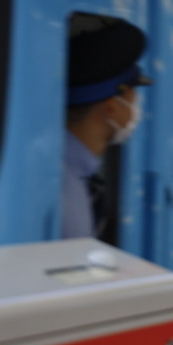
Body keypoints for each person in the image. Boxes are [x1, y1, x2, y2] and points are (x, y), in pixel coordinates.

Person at [62, 18, 151, 239]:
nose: (136, 107)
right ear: (112, 108)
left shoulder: (71, 173)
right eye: (132, 97)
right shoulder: (66, 191)